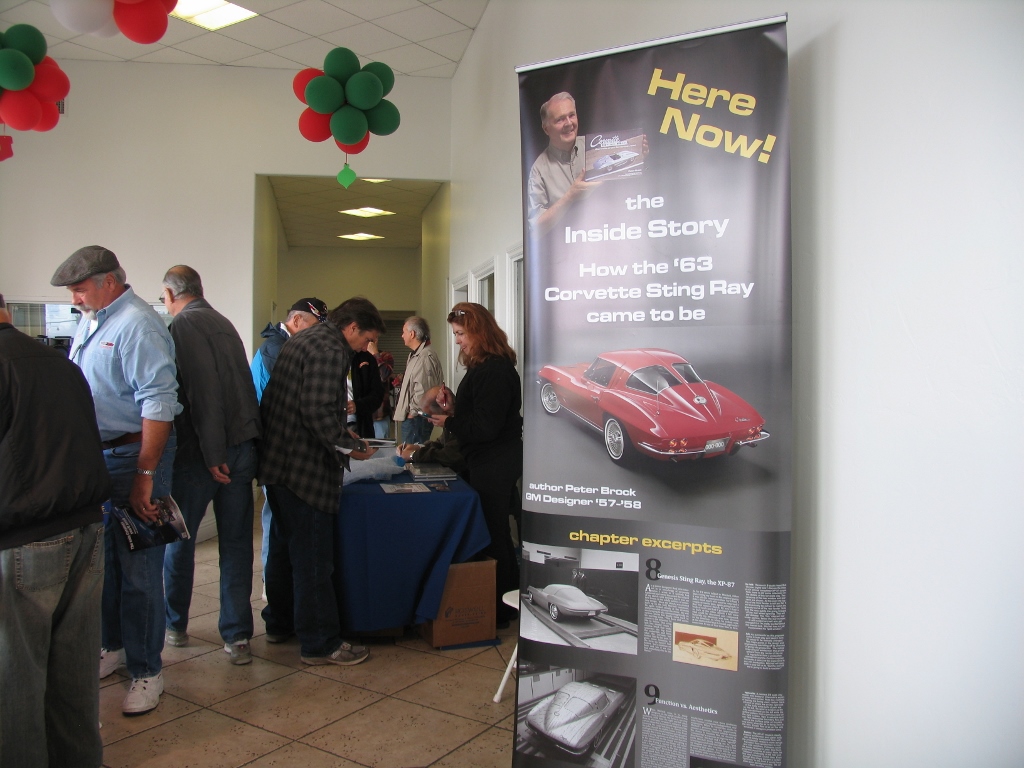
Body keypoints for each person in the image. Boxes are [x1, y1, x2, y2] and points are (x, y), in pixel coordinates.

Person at [50, 246, 180, 717]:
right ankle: (115, 647)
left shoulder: (138, 325)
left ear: (108, 281)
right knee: (101, 564)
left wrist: (144, 476)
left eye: (80, 287)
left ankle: (148, 671)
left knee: (140, 571)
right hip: (98, 458)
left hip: (135, 456)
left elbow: (158, 403)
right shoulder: (92, 319)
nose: (74, 296)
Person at [0, 293, 111, 767]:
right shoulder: (60, 363)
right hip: (85, 531)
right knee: (74, 680)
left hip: (24, 542)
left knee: (15, 684)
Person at [259, 297, 385, 666]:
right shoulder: (331, 349)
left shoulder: (303, 340)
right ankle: (320, 642)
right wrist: (350, 445)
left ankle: (279, 624)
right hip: (304, 471)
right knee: (314, 561)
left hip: (279, 467)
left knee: (283, 554)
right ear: (352, 329)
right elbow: (315, 410)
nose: (366, 348)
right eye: (366, 340)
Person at [159, 266, 261, 664]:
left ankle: (175, 625)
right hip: (240, 446)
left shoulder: (184, 324)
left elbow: (203, 391)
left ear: (169, 294)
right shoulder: (223, 322)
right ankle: (236, 637)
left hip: (205, 454)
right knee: (236, 543)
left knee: (179, 540)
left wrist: (213, 453)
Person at [428, 302, 522, 626]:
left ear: (478, 332)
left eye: (460, 334)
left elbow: (486, 428)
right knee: (496, 532)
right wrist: (455, 408)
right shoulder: (485, 368)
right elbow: (481, 416)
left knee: (495, 534)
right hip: (489, 460)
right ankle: (501, 606)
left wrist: (449, 420)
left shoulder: (494, 370)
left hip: (495, 463)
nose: (457, 341)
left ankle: (500, 609)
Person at [250, 297, 329, 575]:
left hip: (279, 444)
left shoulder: (282, 346)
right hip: (275, 445)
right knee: (275, 515)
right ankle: (271, 582)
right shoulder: (275, 348)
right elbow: (288, 401)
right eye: (315, 326)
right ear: (297, 321)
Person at [527, 92, 598, 235]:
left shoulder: (596, 145)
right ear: (546, 129)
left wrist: (639, 153)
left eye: (571, 115)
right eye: (560, 120)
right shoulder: (538, 170)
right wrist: (570, 196)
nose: (569, 123)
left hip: (606, 239)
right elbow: (535, 229)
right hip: (566, 252)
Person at [393, 316, 443, 445]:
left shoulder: (425, 356)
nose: (402, 336)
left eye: (404, 332)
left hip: (416, 419)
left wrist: (412, 413)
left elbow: (424, 391)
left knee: (412, 458)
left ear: (412, 333)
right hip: (414, 419)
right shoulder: (415, 355)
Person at [396, 384, 465, 475]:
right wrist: (418, 447)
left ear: (444, 409)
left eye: (428, 416)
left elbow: (448, 455)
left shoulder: (461, 424)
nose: (428, 420)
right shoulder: (450, 423)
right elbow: (441, 444)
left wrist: (413, 455)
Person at [348, 346, 384, 438]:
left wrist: (357, 405)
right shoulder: (329, 357)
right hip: (332, 424)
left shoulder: (368, 358)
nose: (368, 345)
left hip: (360, 423)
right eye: (367, 339)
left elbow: (377, 394)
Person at [369, 340, 395, 439]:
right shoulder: (356, 356)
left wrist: (375, 354)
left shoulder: (385, 356)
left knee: (382, 450)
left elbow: (384, 375)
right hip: (360, 414)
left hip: (380, 414)